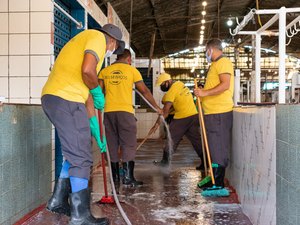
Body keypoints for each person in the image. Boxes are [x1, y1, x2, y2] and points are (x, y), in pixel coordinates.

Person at [41, 24, 125, 225]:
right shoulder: (97, 38)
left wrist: (94, 126)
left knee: (74, 152)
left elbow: (87, 95)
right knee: (82, 157)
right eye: (113, 47)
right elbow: (87, 71)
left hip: (58, 98)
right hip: (65, 99)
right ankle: (81, 216)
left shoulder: (83, 41)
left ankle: (58, 201)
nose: (110, 51)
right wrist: (98, 91)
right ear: (111, 40)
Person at [99, 49, 162, 189]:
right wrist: (156, 107)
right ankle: (128, 178)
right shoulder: (131, 71)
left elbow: (99, 91)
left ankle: (115, 178)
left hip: (108, 112)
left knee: (112, 145)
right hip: (125, 113)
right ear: (128, 59)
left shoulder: (105, 71)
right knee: (128, 144)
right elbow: (144, 91)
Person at [194, 38, 234, 188]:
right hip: (212, 113)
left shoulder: (223, 62)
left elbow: (225, 85)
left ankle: (218, 182)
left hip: (219, 112)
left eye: (206, 51)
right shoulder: (215, 65)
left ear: (211, 49)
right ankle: (213, 176)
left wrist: (204, 93)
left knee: (218, 146)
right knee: (213, 146)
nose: (206, 53)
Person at [152, 73, 204, 167]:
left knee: (171, 138)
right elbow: (176, 103)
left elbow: (165, 112)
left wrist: (156, 125)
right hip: (193, 116)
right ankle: (206, 162)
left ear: (167, 82)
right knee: (197, 140)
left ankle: (165, 162)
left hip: (182, 118)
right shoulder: (180, 84)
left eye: (161, 84)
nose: (161, 87)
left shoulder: (171, 92)